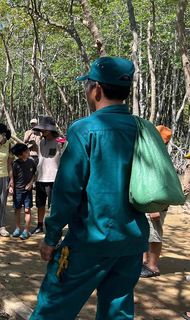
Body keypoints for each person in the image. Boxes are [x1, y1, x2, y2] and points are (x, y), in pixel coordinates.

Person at [30, 57, 149, 319]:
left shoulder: (84, 130)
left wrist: (51, 238)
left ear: (96, 89)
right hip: (132, 242)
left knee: (53, 308)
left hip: (90, 241)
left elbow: (67, 192)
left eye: (87, 86)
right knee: (117, 313)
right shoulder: (142, 129)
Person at [140, 125, 173, 278]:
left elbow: (160, 184)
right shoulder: (155, 154)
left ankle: (153, 267)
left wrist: (154, 208)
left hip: (156, 203)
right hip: (150, 201)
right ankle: (144, 261)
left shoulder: (160, 157)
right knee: (146, 232)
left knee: (154, 234)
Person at [31, 116, 61, 235]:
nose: (42, 131)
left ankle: (52, 228)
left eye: (45, 129)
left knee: (53, 205)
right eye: (41, 129)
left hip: (54, 178)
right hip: (40, 177)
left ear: (51, 129)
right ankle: (39, 226)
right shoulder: (41, 142)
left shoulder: (60, 142)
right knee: (40, 204)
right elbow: (40, 159)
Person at [10, 143, 36, 240]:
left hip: (28, 191)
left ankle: (26, 230)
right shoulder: (15, 164)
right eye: (25, 152)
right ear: (20, 155)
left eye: (27, 150)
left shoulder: (31, 162)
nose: (28, 152)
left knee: (27, 210)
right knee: (17, 209)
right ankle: (17, 229)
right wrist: (11, 187)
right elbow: (12, 178)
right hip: (18, 191)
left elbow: (34, 174)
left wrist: (31, 183)